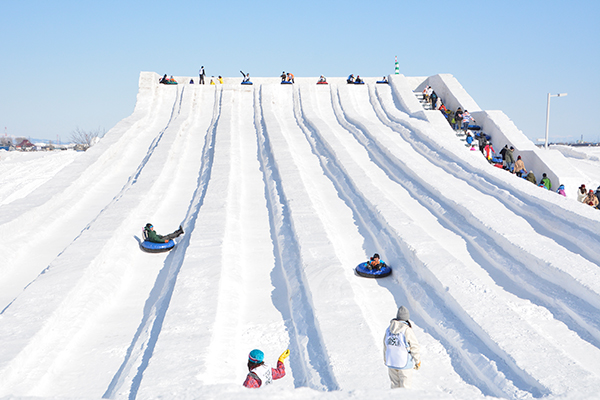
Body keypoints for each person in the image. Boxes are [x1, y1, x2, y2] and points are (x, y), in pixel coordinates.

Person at [383, 306, 421, 389]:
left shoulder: (389, 329)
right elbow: (414, 346)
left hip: (391, 362)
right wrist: (417, 360)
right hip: (404, 363)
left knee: (394, 387)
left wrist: (385, 359)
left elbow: (385, 345)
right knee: (405, 388)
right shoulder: (406, 330)